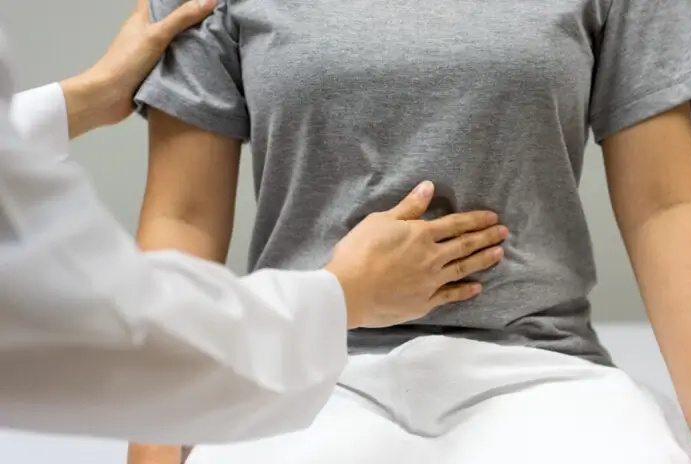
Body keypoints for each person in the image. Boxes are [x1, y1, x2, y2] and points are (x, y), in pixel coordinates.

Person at [130, 0, 691, 462]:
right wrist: (155, 453)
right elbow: (183, 218)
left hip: (539, 364)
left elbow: (664, 206)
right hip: (303, 367)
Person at [0, 0, 508, 444]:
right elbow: (158, 256)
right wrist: (343, 295)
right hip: (324, 381)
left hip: (531, 363)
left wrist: (83, 99)